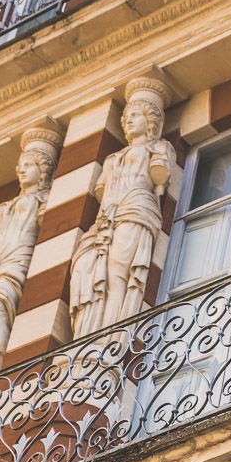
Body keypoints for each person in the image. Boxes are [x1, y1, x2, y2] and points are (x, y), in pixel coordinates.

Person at [69, 81, 173, 337]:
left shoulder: (159, 148)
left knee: (117, 275)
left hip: (134, 210)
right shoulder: (112, 158)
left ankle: (109, 338)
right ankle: (86, 338)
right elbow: (102, 191)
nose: (128, 120)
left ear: (150, 121)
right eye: (127, 116)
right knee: (86, 270)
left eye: (135, 115)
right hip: (106, 219)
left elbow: (160, 175)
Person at [0, 126, 60, 379]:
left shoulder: (45, 200)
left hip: (16, 265)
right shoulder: (4, 208)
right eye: (20, 165)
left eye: (28, 164)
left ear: (43, 171)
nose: (21, 169)